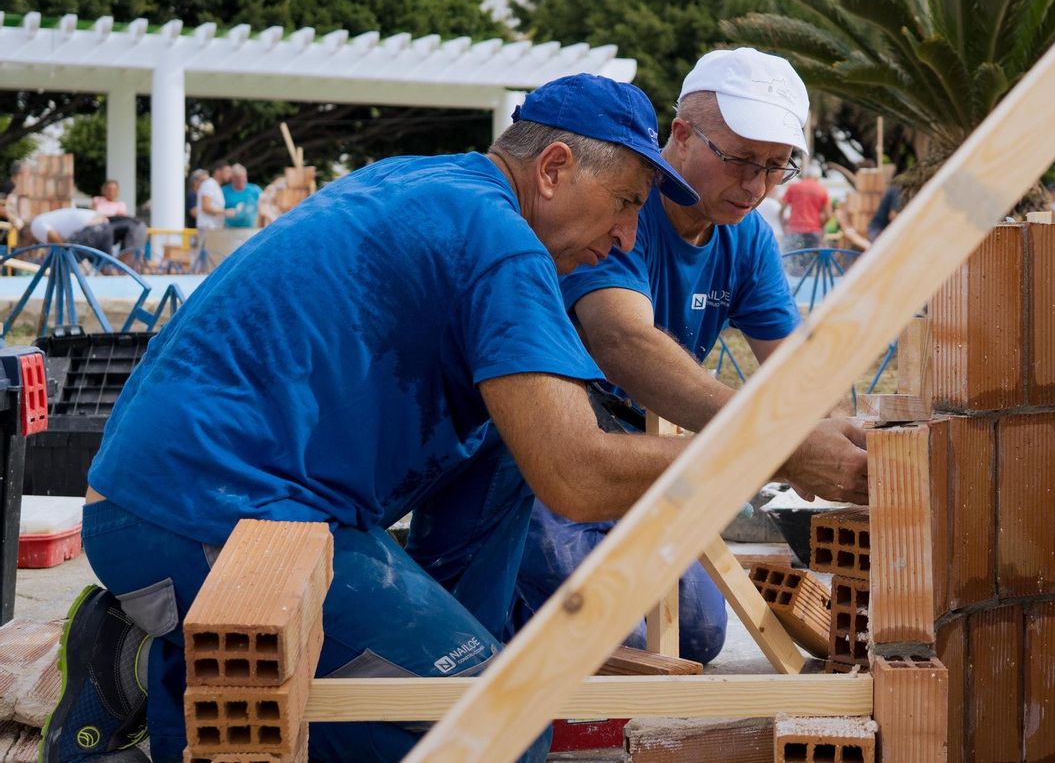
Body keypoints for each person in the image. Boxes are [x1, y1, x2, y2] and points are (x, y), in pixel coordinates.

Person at [42, 74, 704, 763]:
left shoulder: (427, 183)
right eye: (626, 203)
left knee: (509, 438)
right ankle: (145, 673)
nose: (630, 237)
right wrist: (761, 452)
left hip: (186, 495)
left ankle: (191, 671)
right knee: (504, 731)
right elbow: (576, 473)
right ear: (555, 168)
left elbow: (544, 442)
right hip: (203, 521)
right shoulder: (502, 242)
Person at [407, 48, 868, 665]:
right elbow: (621, 340)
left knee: (695, 634)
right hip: (544, 441)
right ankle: (483, 618)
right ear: (681, 134)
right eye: (739, 161)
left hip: (638, 444)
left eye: (774, 168)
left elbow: (797, 365)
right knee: (596, 625)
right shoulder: (615, 206)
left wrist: (842, 435)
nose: (755, 185)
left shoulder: (746, 238)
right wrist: (773, 445)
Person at [779, 163, 829, 253]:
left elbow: (781, 209)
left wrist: (783, 225)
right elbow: (828, 215)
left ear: (805, 175)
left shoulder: (793, 187)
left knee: (791, 261)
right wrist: (821, 225)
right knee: (811, 262)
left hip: (794, 230)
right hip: (813, 231)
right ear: (817, 177)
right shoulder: (822, 190)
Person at [29, 206, 106, 245]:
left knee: (67, 258)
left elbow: (57, 239)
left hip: (93, 224)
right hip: (98, 220)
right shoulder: (39, 221)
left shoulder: (35, 227)